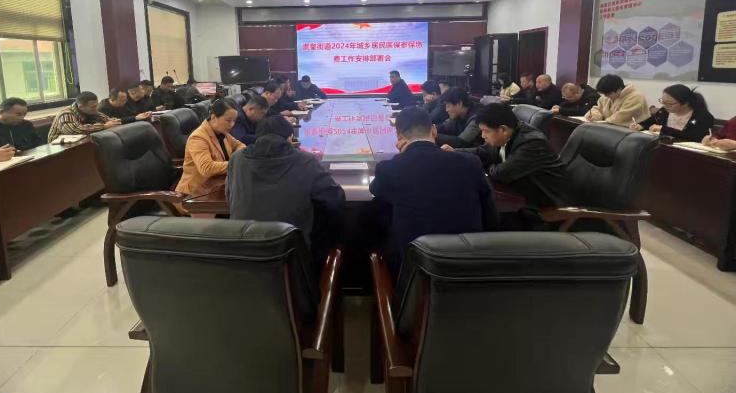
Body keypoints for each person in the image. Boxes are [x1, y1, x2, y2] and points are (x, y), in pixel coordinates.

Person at [370, 107, 498, 277]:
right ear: (434, 130)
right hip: (468, 265)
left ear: (399, 136)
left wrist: (402, 157)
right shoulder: (470, 163)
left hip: (416, 271)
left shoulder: (389, 168)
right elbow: (490, 215)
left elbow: (376, 189)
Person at [227, 115, 345, 267]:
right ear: (289, 137)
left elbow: (229, 196)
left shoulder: (236, 159)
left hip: (241, 256)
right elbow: (335, 199)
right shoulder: (305, 161)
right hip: (289, 259)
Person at [447, 103, 570, 210]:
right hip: (520, 189)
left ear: (503, 129)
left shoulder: (532, 143)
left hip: (546, 203)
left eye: (486, 131)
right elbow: (483, 151)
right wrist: (455, 152)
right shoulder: (507, 133)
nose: (483, 136)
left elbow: (501, 174)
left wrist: (487, 165)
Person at [176, 99, 245, 196]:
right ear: (213, 117)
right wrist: (235, 163)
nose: (232, 125)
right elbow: (207, 168)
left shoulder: (223, 132)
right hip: (195, 194)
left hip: (217, 185)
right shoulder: (198, 138)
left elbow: (240, 145)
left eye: (234, 121)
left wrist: (236, 158)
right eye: (228, 120)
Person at [631, 84, 714, 142]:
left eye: (671, 104)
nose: (666, 106)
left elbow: (695, 136)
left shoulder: (702, 116)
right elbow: (650, 122)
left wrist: (663, 129)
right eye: (663, 102)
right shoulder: (664, 111)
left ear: (686, 103)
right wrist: (640, 126)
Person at [47, 92, 120, 142]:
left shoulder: (90, 110)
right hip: (58, 148)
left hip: (77, 143)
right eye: (93, 107)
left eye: (96, 105)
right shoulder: (66, 114)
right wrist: (104, 126)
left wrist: (112, 121)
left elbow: (105, 118)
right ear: (81, 107)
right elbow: (75, 130)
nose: (96, 109)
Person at [585, 74, 650, 126]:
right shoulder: (607, 97)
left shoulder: (636, 97)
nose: (606, 96)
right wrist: (594, 116)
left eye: (608, 94)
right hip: (610, 129)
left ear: (619, 89)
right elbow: (598, 108)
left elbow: (621, 118)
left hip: (631, 133)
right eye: (604, 94)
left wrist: (604, 121)